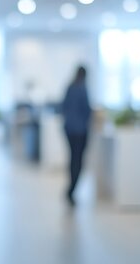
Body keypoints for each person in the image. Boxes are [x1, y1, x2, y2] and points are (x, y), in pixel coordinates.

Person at [61, 65, 92, 206]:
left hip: (69, 129)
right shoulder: (82, 89)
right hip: (80, 131)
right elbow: (87, 110)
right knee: (78, 161)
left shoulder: (70, 87)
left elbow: (63, 107)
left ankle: (70, 190)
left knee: (72, 159)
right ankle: (71, 191)